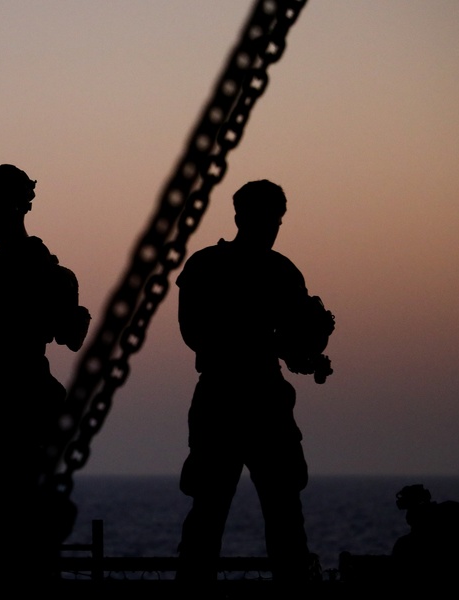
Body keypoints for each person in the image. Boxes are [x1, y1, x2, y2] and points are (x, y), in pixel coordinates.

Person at [175, 180, 333, 583]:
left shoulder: (210, 265)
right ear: (241, 217)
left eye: (276, 220)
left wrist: (303, 341)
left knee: (229, 514)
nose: (272, 227)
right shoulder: (276, 271)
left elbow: (196, 332)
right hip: (252, 398)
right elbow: (196, 332)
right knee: (265, 513)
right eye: (268, 218)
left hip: (229, 399)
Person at [0, 162, 89, 569]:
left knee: (9, 509)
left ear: (9, 206)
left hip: (16, 397)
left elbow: (66, 333)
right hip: (2, 394)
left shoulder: (27, 262)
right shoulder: (8, 261)